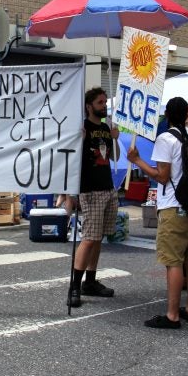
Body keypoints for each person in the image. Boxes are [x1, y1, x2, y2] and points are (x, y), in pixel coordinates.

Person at [127, 97, 188, 329]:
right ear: (187, 114)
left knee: (173, 262)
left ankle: (172, 315)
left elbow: (162, 175)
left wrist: (137, 160)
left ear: (167, 114)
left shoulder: (166, 138)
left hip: (172, 205)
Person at [68, 87, 119, 308]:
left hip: (107, 187)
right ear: (89, 106)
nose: (104, 106)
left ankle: (90, 281)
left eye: (105, 102)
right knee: (89, 237)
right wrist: (71, 194)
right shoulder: (83, 128)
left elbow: (114, 157)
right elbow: (71, 159)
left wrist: (115, 139)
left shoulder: (106, 128)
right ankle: (74, 286)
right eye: (100, 102)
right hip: (90, 190)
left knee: (98, 238)